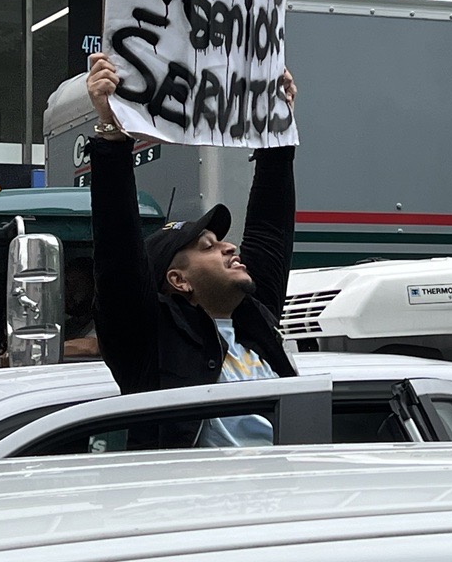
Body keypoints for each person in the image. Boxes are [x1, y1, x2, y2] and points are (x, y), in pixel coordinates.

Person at [86, 52, 298, 448]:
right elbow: (117, 253)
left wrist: (277, 132)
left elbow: (270, 226)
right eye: (208, 246)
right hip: (201, 506)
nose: (230, 246)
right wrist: (112, 137)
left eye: (221, 240)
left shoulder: (257, 318)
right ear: (178, 280)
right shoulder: (149, 344)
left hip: (284, 501)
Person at [63, 257, 100, 359]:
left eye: (75, 285)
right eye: (65, 286)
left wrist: (42, 351)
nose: (66, 292)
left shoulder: (105, 322)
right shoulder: (70, 326)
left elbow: (92, 346)